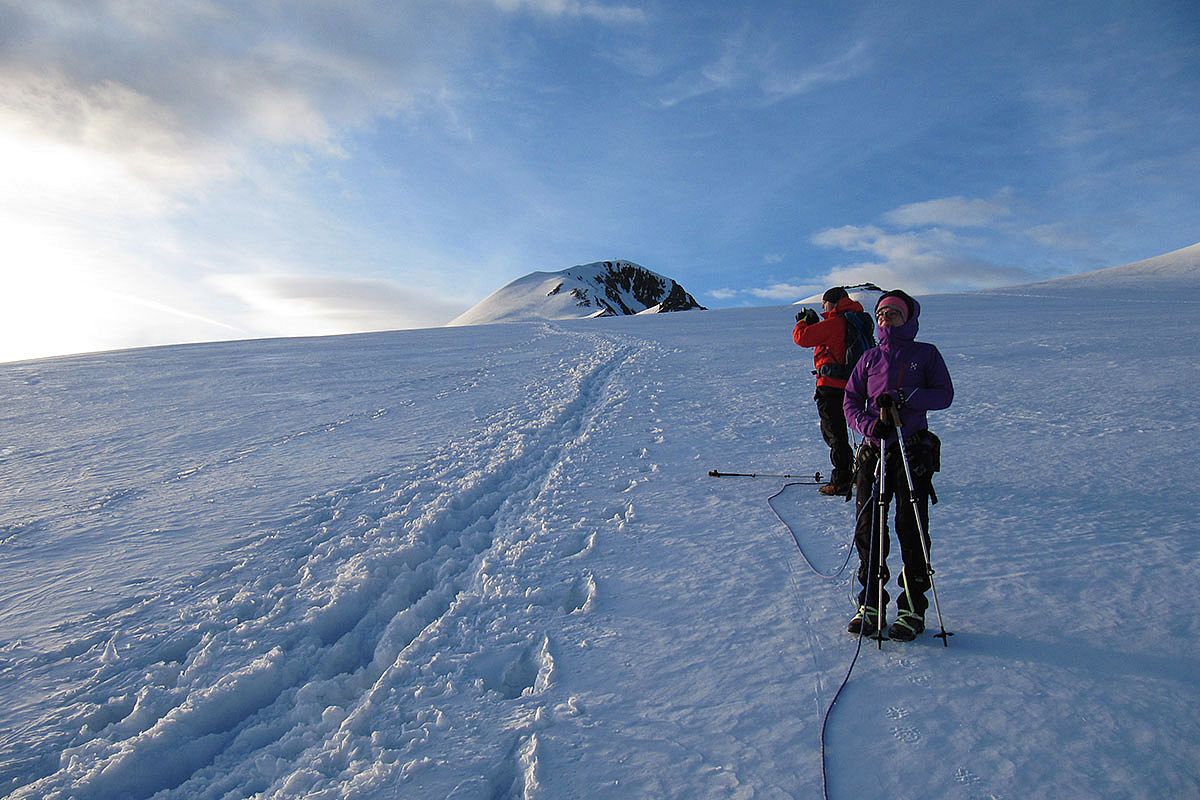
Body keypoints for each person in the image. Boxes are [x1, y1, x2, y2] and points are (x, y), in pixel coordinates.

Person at [842, 290, 953, 641]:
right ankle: (871, 603)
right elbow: (850, 401)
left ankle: (912, 608)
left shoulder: (926, 354)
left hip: (911, 450)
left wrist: (907, 397)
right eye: (882, 314)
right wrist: (870, 425)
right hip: (875, 451)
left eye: (893, 313)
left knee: (911, 527)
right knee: (869, 529)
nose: (886, 319)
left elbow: (944, 394)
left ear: (909, 319)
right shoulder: (869, 358)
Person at [792, 286, 867, 496]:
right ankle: (855, 472)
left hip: (831, 385)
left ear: (832, 302)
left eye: (824, 303)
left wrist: (803, 322)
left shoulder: (836, 322)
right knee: (843, 431)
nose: (823, 307)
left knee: (834, 433)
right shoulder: (855, 320)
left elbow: (802, 338)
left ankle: (841, 480)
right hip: (852, 385)